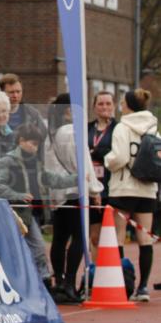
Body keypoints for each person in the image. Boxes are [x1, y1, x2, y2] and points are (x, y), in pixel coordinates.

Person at [0, 122, 77, 292]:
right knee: (28, 249)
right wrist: (18, 196)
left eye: (37, 144)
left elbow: (52, 179)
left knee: (35, 249)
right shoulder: (7, 161)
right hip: (14, 213)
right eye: (32, 143)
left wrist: (76, 179)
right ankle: (36, 282)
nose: (35, 147)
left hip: (32, 214)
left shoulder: (36, 162)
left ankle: (40, 283)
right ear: (21, 140)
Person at [45, 94, 102, 302]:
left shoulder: (51, 133)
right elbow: (83, 164)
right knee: (79, 236)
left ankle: (60, 281)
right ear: (68, 110)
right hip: (75, 190)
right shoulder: (71, 132)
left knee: (60, 238)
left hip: (57, 192)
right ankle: (69, 283)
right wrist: (94, 190)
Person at [104, 88, 159, 302]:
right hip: (147, 188)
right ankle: (143, 287)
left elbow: (119, 157)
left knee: (119, 235)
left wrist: (107, 160)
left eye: (122, 102)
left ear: (128, 105)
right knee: (145, 237)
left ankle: (121, 283)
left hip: (124, 187)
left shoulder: (122, 127)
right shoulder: (154, 128)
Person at [88, 90, 117, 256]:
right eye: (100, 103)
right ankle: (95, 267)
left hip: (111, 187)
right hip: (92, 187)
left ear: (113, 106)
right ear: (94, 107)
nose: (104, 107)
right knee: (95, 236)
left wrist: (97, 152)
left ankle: (115, 268)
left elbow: (117, 153)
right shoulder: (87, 128)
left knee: (112, 235)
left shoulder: (118, 128)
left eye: (108, 103)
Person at [0, 73, 48, 141]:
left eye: (18, 91)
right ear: (2, 93)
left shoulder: (32, 114)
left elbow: (42, 135)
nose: (15, 96)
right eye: (11, 92)